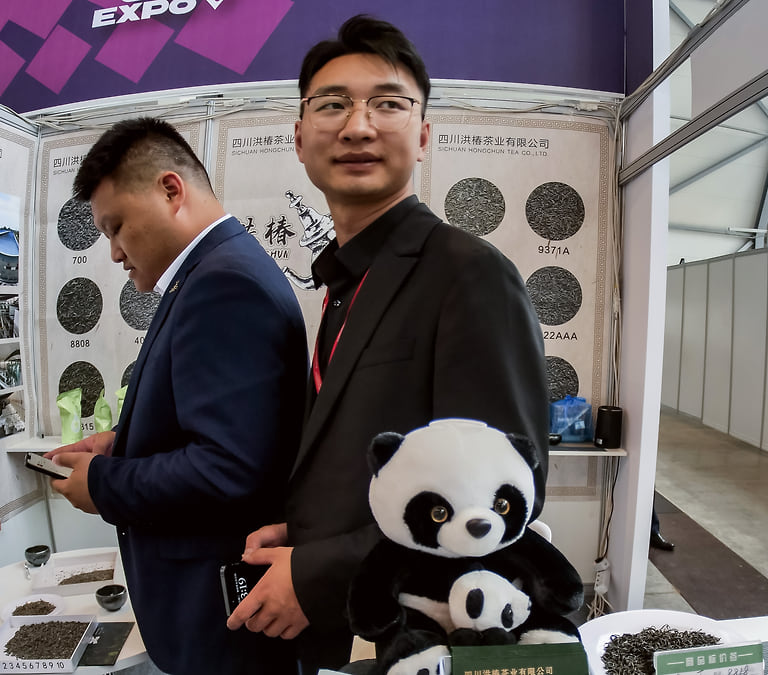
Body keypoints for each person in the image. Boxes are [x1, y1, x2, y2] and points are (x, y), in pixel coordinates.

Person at [225, 15, 550, 673]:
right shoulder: (345, 281)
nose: (358, 127)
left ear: (423, 135)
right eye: (332, 105)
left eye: (388, 104)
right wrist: (308, 530)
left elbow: (501, 493)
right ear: (299, 137)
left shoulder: (467, 274)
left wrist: (316, 572)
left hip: (418, 637)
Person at [44, 117, 309, 674]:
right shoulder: (214, 272)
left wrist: (103, 483)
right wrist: (121, 443)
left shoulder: (224, 284)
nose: (114, 253)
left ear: (170, 190)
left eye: (117, 227)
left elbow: (228, 468)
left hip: (220, 617)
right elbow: (221, 429)